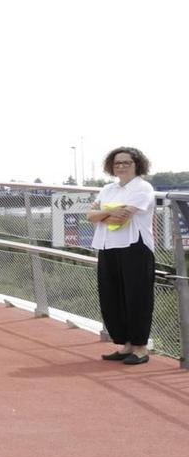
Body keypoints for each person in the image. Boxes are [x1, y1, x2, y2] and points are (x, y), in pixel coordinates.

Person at [89, 147, 158, 366]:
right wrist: (107, 213)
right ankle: (125, 344)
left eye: (126, 162)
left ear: (137, 164)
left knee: (137, 297)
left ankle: (140, 347)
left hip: (134, 247)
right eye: (117, 163)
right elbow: (90, 216)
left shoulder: (142, 187)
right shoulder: (107, 189)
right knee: (112, 296)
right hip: (108, 246)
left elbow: (121, 219)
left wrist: (103, 214)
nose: (121, 166)